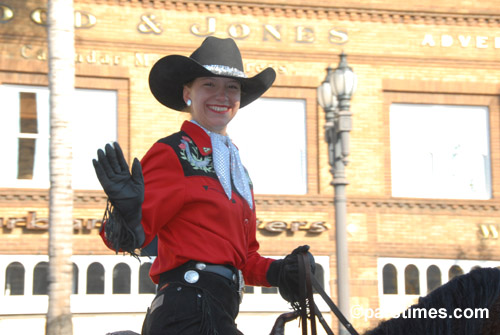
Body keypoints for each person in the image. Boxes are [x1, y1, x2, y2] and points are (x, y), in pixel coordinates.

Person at [93, 36, 315, 335]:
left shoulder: (239, 170)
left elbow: (243, 258)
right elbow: (126, 238)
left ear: (239, 99)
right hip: (186, 311)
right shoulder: (172, 152)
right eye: (209, 84)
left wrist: (280, 272)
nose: (221, 95)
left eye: (231, 87)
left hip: (220, 309)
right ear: (188, 93)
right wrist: (126, 213)